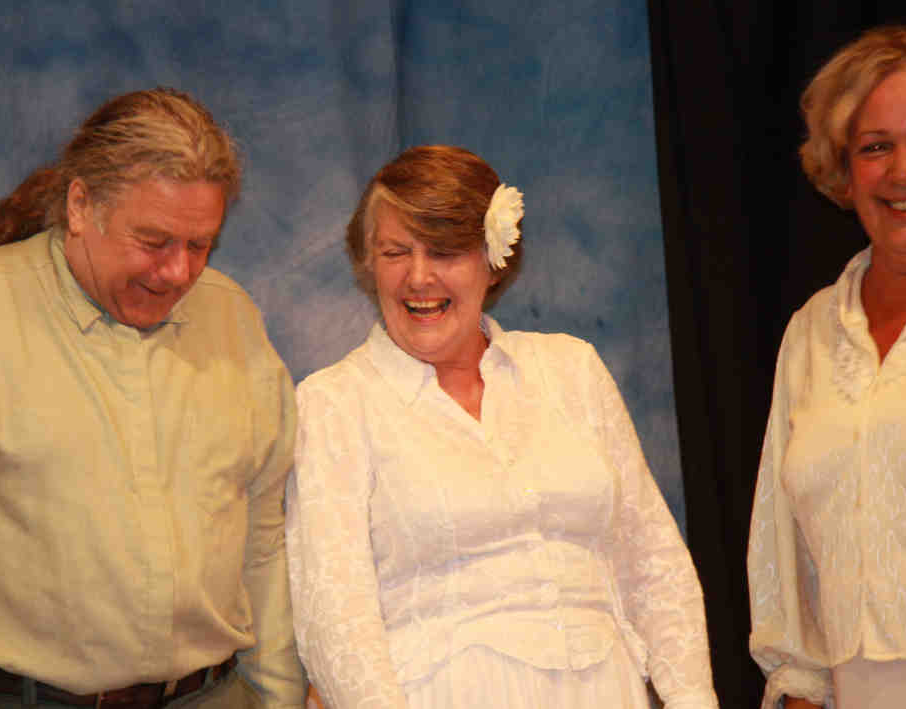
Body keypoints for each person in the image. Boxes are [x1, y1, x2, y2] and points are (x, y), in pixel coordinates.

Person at [0, 88, 304, 709]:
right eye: (154, 241)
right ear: (81, 205)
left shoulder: (232, 318)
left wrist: (280, 695)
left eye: (200, 246)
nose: (178, 272)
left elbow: (264, 542)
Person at [284, 145, 719, 709]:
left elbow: (654, 563)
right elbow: (335, 616)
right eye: (396, 252)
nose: (419, 277)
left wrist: (692, 700)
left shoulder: (572, 370)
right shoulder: (334, 403)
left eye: (444, 251)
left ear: (493, 260)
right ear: (369, 263)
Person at [748, 25, 906, 709]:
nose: (903, 172)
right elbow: (782, 547)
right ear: (843, 166)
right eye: (875, 147)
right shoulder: (811, 331)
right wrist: (799, 689)